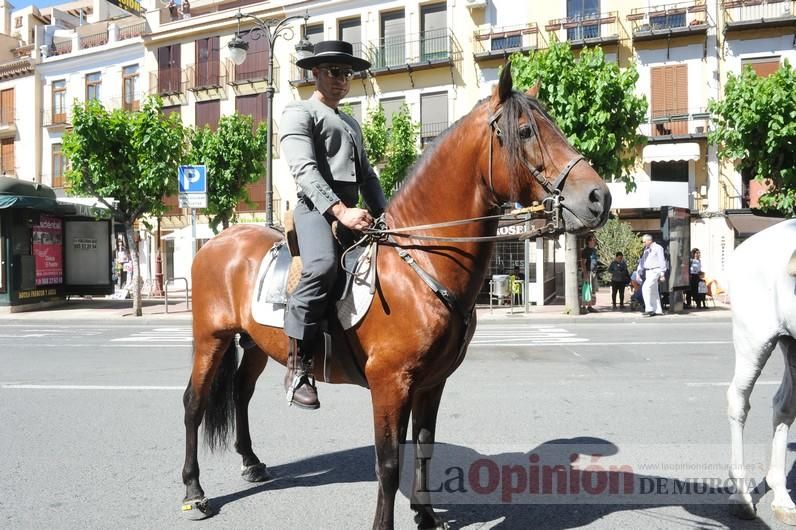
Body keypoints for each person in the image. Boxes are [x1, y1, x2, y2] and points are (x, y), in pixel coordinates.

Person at [280, 40, 387, 410]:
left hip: (353, 211)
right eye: (335, 72)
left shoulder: (352, 122)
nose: (343, 79)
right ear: (315, 74)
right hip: (315, 210)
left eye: (348, 73)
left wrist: (388, 215)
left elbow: (368, 177)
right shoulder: (299, 112)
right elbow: (305, 171)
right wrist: (340, 212)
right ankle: (298, 369)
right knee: (322, 266)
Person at [636, 234, 667, 317]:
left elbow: (661, 260)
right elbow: (642, 261)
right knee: (654, 291)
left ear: (649, 240)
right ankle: (658, 310)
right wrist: (638, 272)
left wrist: (662, 273)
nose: (643, 243)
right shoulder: (646, 249)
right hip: (648, 272)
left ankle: (649, 309)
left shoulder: (658, 248)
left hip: (655, 270)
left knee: (645, 288)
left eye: (644, 241)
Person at [579, 235, 598, 313]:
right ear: (589, 241)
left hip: (593, 272)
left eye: (594, 240)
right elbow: (583, 263)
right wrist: (585, 273)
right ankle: (584, 306)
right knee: (586, 289)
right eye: (593, 240)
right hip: (588, 272)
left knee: (592, 290)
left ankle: (590, 306)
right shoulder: (586, 251)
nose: (594, 242)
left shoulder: (594, 250)